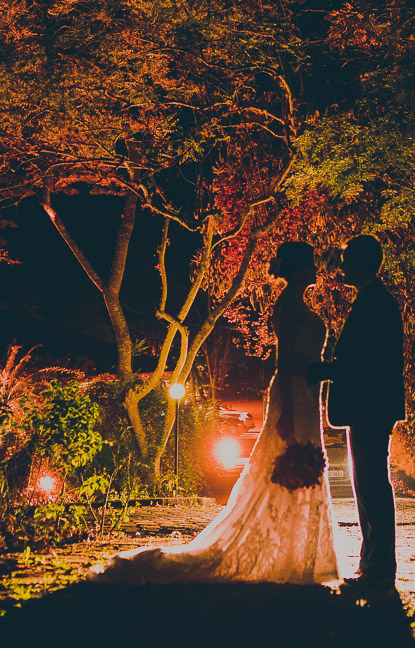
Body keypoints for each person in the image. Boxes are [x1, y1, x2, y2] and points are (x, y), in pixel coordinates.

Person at [89, 241, 339, 585]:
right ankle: (288, 556)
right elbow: (286, 362)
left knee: (300, 469)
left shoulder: (297, 305)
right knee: (286, 465)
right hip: (293, 395)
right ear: (298, 271)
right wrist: (289, 413)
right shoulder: (290, 309)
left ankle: (296, 555)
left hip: (307, 395)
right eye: (311, 264)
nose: (316, 269)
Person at [312, 235, 405, 595]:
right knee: (366, 483)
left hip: (370, 406)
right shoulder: (372, 300)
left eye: (348, 259)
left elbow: (361, 362)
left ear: (363, 263)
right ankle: (373, 564)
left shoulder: (375, 303)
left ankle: (379, 567)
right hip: (370, 406)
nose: (342, 266)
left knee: (371, 484)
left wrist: (319, 371)